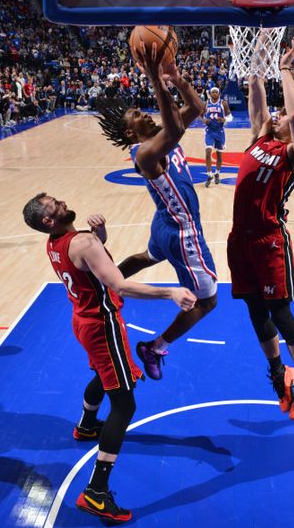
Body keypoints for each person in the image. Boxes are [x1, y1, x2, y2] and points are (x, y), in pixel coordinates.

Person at [22, 193, 196, 523]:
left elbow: (89, 265)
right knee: (125, 404)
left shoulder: (57, 242)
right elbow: (120, 285)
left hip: (83, 321)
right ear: (48, 221)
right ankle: (96, 492)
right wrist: (169, 292)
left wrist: (100, 240)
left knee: (105, 375)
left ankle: (87, 426)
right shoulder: (83, 242)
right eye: (54, 205)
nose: (62, 201)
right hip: (102, 326)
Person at [95, 43, 217, 381]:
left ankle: (105, 283)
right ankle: (156, 346)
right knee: (207, 302)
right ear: (129, 133)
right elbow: (176, 128)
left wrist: (177, 80)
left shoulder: (162, 137)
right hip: (182, 231)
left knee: (147, 256)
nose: (144, 115)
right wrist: (154, 79)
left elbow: (198, 108)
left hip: (163, 223)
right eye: (136, 117)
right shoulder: (146, 153)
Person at [227, 33, 294, 420]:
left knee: (280, 312)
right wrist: (259, 57)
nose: (278, 117)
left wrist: (284, 68)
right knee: (255, 310)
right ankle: (275, 369)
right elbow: (255, 92)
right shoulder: (258, 139)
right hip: (241, 241)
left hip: (269, 241)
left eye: (282, 117)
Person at [201, 87, 230, 187]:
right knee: (208, 151)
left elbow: (230, 117)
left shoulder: (223, 103)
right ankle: (209, 174)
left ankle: (217, 173)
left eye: (216, 92)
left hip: (220, 131)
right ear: (210, 93)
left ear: (219, 93)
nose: (214, 93)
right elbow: (200, 115)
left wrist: (224, 119)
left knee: (219, 155)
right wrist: (203, 120)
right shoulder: (206, 103)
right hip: (209, 131)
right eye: (212, 92)